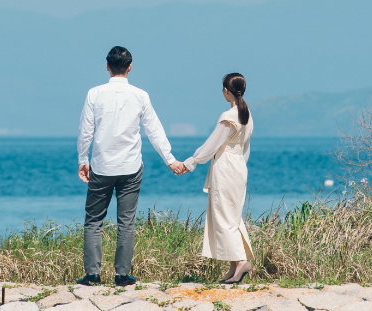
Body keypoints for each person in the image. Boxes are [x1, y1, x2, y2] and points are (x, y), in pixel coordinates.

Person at [76, 45, 179, 286]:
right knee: (126, 222)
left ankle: (92, 275)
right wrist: (170, 160)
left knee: (93, 221)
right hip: (131, 167)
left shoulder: (94, 93)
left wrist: (83, 160)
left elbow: (85, 131)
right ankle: (122, 275)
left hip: (101, 166)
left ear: (107, 66)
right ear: (130, 67)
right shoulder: (141, 95)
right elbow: (154, 130)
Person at [169, 72, 254, 284]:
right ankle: (234, 267)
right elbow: (245, 149)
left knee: (223, 216)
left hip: (225, 167)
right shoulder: (247, 114)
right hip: (239, 168)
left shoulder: (228, 116)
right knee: (232, 215)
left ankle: (241, 261)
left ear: (227, 91)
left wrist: (191, 162)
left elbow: (211, 145)